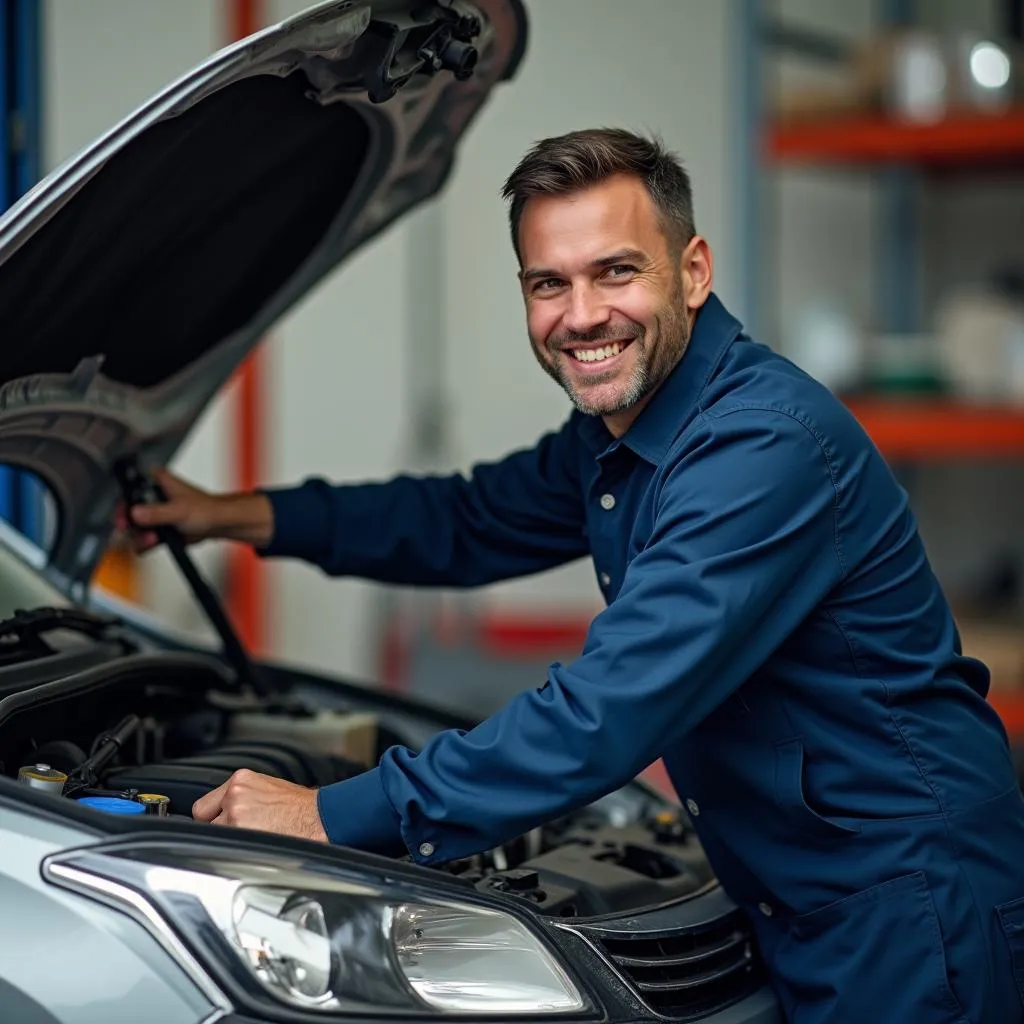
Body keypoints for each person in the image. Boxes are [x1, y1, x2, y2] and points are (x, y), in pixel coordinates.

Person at [123, 128, 1024, 1024]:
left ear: (695, 271)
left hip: (911, 912)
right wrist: (230, 513)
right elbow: (464, 517)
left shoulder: (760, 447)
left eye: (617, 272)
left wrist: (331, 815)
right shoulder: (626, 427)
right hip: (807, 896)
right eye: (549, 284)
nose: (582, 315)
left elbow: (606, 711)